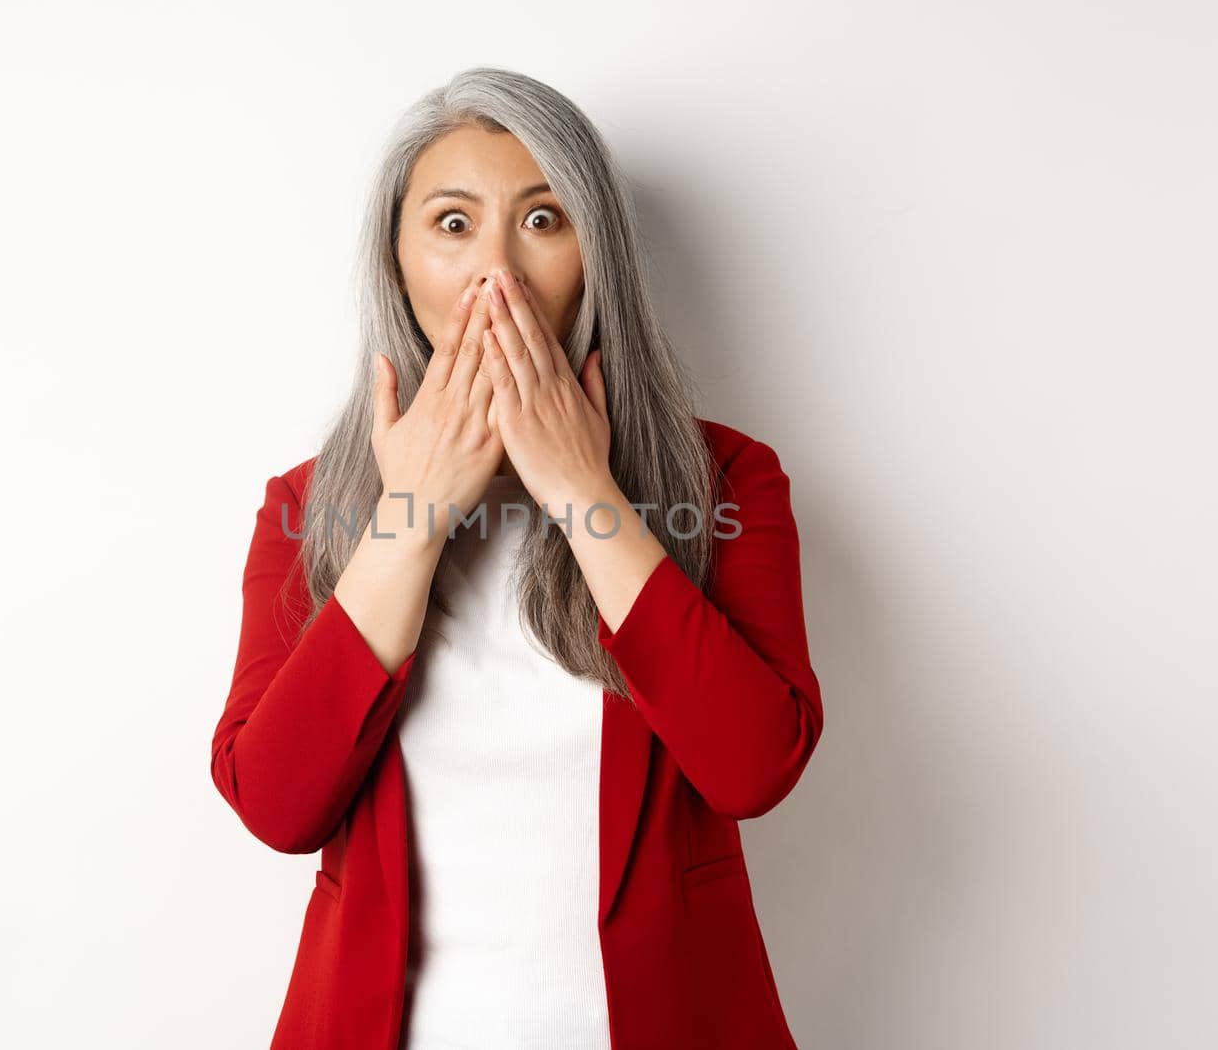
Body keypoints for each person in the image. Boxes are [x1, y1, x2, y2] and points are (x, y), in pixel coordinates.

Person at [209, 66, 825, 1049]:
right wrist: (408, 516)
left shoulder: (728, 479)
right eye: (452, 224)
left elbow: (753, 766)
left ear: (596, 251)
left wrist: (584, 490)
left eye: (543, 220)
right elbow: (278, 804)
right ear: (397, 259)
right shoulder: (306, 505)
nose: (496, 270)